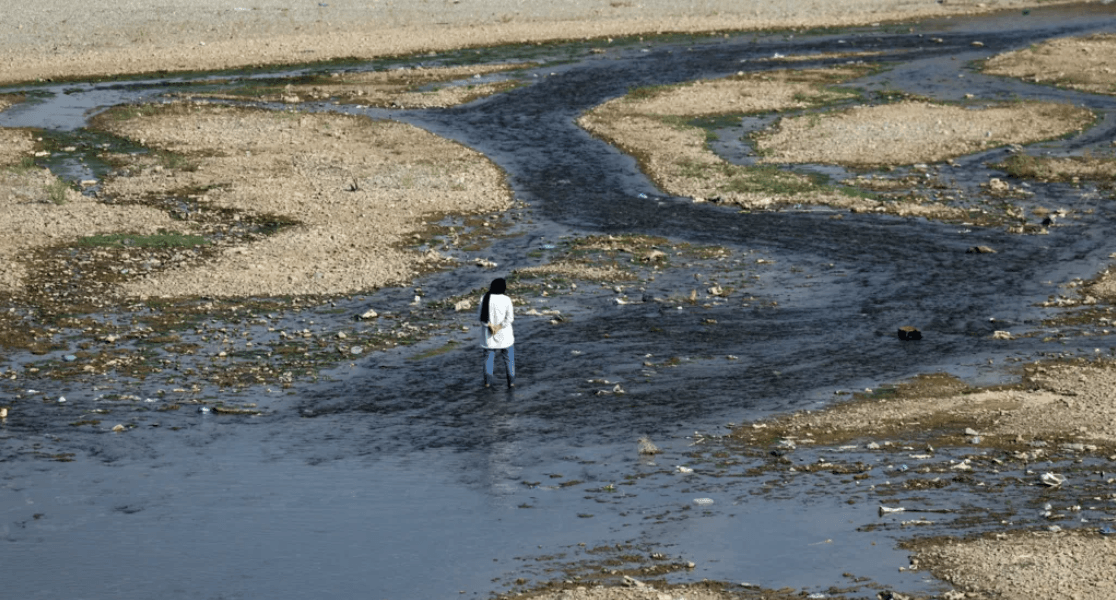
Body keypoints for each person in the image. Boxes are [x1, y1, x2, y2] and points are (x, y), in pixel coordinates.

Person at [479, 277, 515, 388]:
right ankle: (511, 383)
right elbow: (510, 318)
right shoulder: (506, 299)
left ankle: (487, 383)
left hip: (489, 336)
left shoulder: (484, 298)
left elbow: (481, 318)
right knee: (509, 360)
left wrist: (490, 326)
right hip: (505, 336)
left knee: (488, 360)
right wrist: (499, 327)